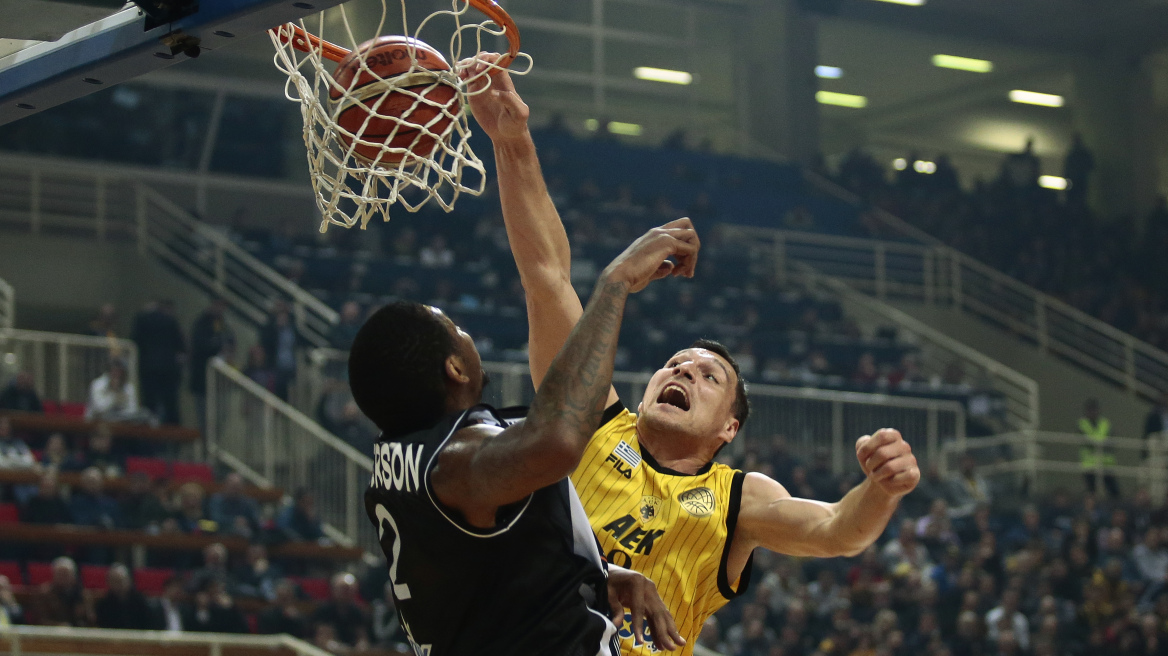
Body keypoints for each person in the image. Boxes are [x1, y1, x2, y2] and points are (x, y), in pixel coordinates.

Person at [468, 53, 920, 655]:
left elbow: (836, 530)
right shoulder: (590, 422)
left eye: (709, 377)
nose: (683, 370)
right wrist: (512, 140)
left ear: (729, 427)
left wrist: (882, 491)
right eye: (676, 363)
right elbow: (546, 277)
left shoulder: (739, 498)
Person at [348, 218, 699, 654]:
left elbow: (484, 575)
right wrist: (615, 283)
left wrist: (599, 573)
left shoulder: (405, 456)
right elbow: (559, 441)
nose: (467, 335)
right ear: (454, 369)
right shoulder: (455, 462)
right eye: (457, 331)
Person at [130, 299, 186, 425]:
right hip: (168, 368)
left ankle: (149, 435)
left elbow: (134, 340)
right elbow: (180, 345)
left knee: (150, 403)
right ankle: (173, 435)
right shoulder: (170, 321)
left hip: (148, 367)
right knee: (170, 402)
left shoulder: (142, 320)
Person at [190, 298, 231, 431]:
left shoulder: (222, 323)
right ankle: (205, 446)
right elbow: (200, 345)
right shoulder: (201, 323)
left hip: (218, 380)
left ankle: (212, 445)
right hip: (203, 378)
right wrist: (217, 347)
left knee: (220, 416)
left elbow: (228, 340)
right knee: (205, 417)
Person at [32, 557, 95, 627]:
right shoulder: (44, 594)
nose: (63, 577)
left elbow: (91, 620)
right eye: (60, 574)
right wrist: (60, 626)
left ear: (74, 576)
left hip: (79, 634)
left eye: (66, 574)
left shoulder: (83, 595)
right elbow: (40, 620)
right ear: (54, 575)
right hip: (52, 634)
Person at [260, 299, 303, 400]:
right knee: (274, 391)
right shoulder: (270, 328)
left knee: (288, 394)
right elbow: (266, 342)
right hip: (275, 366)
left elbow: (298, 342)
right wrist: (276, 327)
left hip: (289, 366)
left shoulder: (292, 329)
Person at [1079, 398, 1118, 498]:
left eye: (1094, 410)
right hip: (1090, 464)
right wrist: (1100, 443)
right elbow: (1086, 440)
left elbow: (1110, 440)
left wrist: (1097, 443)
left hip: (1106, 463)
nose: (1092, 413)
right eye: (1090, 410)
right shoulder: (1082, 424)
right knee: (1091, 491)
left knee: (1114, 491)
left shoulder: (1105, 423)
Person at [95, 563, 152, 630]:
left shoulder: (141, 602)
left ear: (129, 581)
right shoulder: (103, 605)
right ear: (109, 582)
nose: (119, 585)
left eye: (121, 581)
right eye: (115, 581)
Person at [208, 473, 261, 539]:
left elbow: (256, 522)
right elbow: (215, 519)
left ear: (242, 487)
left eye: (237, 487)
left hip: (245, 535)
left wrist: (246, 521)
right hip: (219, 532)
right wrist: (234, 520)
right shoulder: (216, 500)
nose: (235, 490)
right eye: (233, 487)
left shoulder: (249, 502)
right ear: (226, 485)